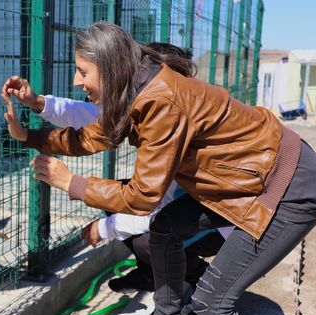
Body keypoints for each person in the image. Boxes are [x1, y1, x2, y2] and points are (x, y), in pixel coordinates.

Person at [1, 22, 316, 315]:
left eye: (82, 71)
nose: (76, 81)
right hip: (249, 183)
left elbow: (144, 195)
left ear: (110, 67)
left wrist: (73, 184)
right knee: (165, 226)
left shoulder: (159, 100)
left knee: (213, 302)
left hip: (286, 188)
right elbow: (91, 136)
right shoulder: (136, 90)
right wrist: (29, 136)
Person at [23, 62, 234, 292]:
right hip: (184, 209)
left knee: (152, 240)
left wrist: (102, 227)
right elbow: (90, 116)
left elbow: (153, 211)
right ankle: (153, 275)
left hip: (219, 227)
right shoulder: (154, 107)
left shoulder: (171, 128)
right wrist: (40, 104)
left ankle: (199, 288)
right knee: (114, 199)